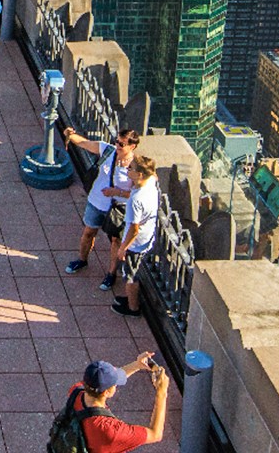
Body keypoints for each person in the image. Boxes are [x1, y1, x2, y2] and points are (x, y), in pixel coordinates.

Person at [62, 128, 139, 289]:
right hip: (96, 202)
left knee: (115, 241)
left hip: (118, 209)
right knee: (88, 232)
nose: (117, 145)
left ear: (132, 146)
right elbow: (85, 143)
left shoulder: (135, 167)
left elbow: (137, 192)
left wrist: (117, 192)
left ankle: (111, 273)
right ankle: (82, 260)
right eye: (117, 141)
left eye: (122, 144)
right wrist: (69, 134)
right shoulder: (108, 151)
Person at [53, 354, 170, 453]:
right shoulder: (110, 430)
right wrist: (161, 392)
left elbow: (105, 380)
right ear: (107, 392)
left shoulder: (76, 391)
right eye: (114, 385)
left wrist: (137, 365)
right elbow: (155, 434)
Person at [111, 155, 159, 318]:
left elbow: (134, 228)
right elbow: (153, 174)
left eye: (131, 168)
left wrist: (123, 248)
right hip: (147, 237)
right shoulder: (151, 182)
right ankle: (131, 302)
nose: (127, 170)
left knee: (130, 275)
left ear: (139, 175)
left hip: (136, 244)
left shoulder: (136, 200)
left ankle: (133, 308)